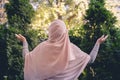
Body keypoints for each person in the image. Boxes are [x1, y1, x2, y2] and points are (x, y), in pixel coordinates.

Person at [15, 19, 108, 80]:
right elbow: (90, 60)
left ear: (50, 32)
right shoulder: (71, 49)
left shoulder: (42, 47)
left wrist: (24, 42)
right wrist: (98, 43)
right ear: (65, 33)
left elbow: (27, 58)